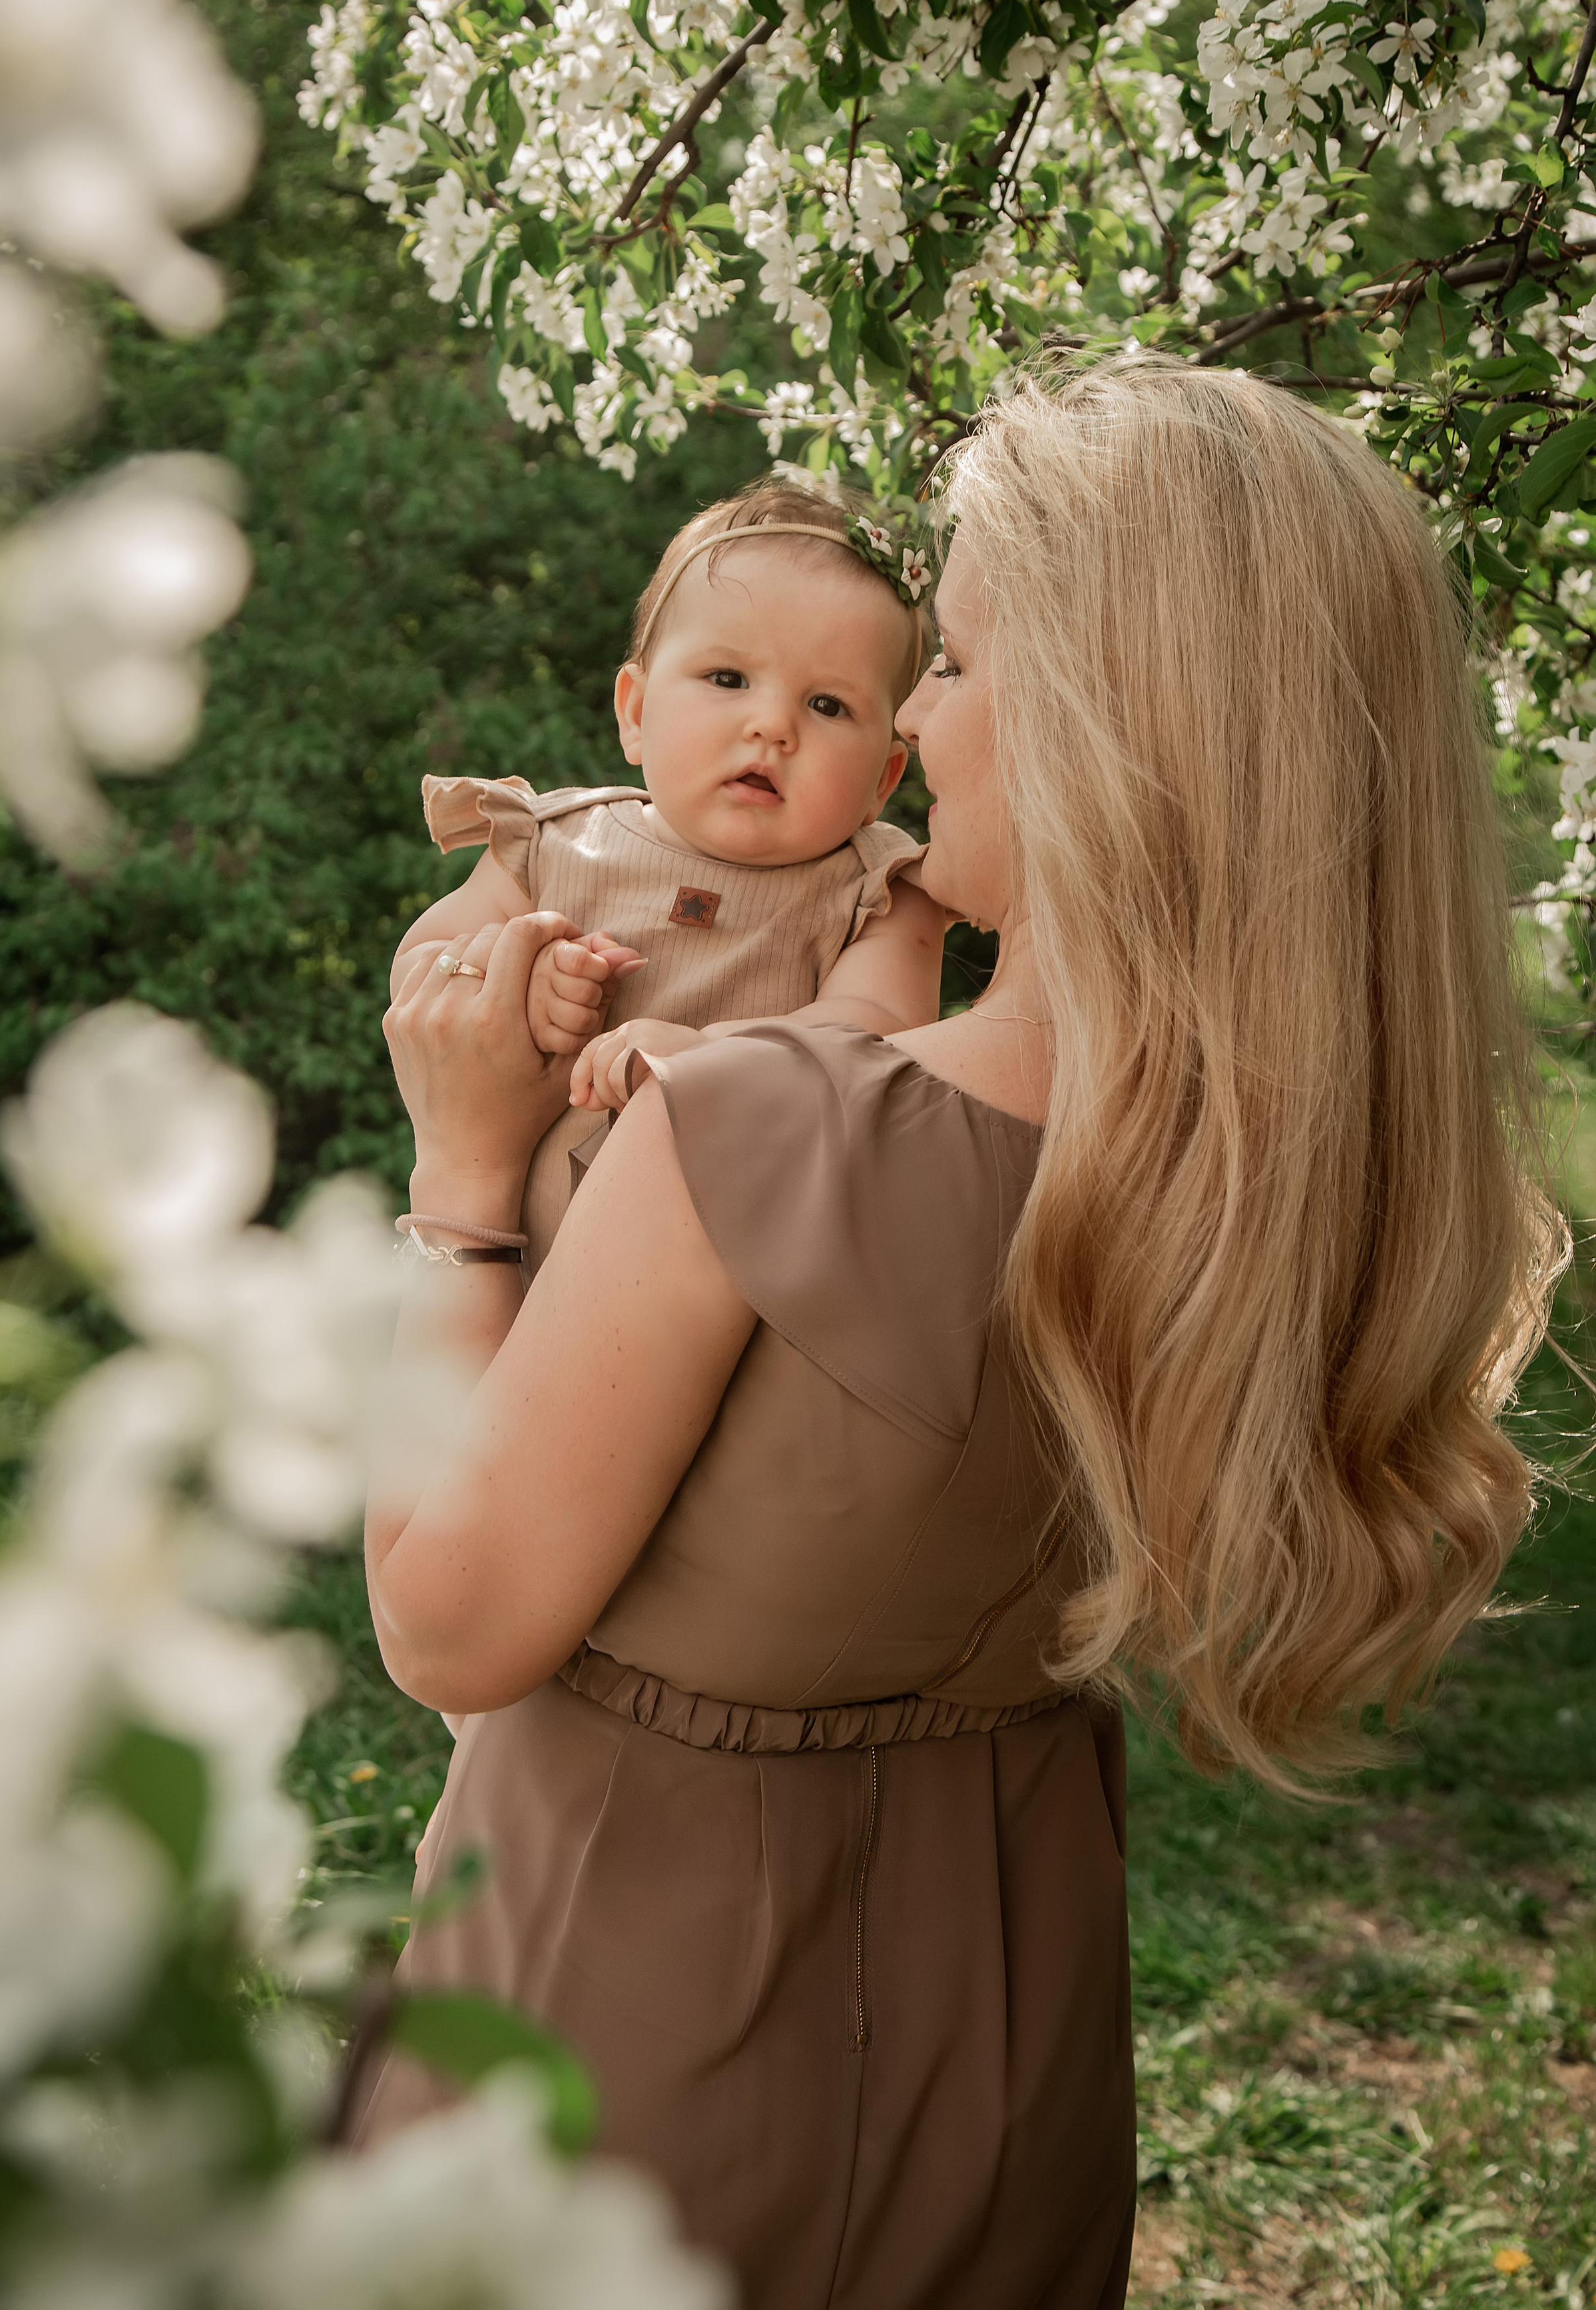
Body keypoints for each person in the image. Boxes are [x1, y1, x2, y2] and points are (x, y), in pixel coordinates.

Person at [356, 358, 1559, 2310]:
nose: (908, 725)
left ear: (1104, 723)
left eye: (957, 665)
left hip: (615, 2073)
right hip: (1003, 2073)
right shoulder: (1271, 1202)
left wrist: (465, 1182)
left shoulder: (748, 1139)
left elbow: (446, 1624)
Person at [396, 479, 947, 1272]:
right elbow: (421, 975)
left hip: (733, 1284)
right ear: (634, 711)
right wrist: (519, 973)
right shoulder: (554, 842)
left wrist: (711, 1055)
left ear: (882, 783)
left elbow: (879, 1036)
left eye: (828, 706)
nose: (772, 726)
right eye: (728, 679)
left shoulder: (875, 891)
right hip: (508, 1252)